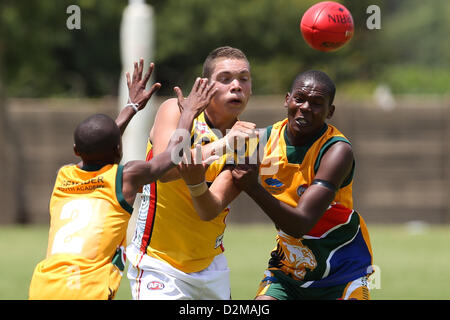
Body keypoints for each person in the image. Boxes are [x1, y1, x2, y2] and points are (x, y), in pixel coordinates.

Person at [28, 59, 218, 300]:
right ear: (119, 150)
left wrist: (130, 106)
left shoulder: (63, 175)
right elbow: (172, 155)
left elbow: (99, 142)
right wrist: (189, 112)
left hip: (44, 284)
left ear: (76, 150)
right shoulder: (125, 178)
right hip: (86, 289)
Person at [179, 70, 374, 300]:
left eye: (316, 103)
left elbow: (300, 224)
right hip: (289, 269)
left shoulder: (336, 151)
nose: (305, 107)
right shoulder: (259, 141)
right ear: (287, 100)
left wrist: (253, 188)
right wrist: (195, 183)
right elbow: (208, 203)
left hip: (342, 272)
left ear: (330, 112)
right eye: (299, 99)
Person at [126, 46, 255, 300]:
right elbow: (163, 170)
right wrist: (223, 145)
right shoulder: (176, 110)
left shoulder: (248, 140)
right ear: (205, 85)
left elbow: (209, 210)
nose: (236, 85)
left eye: (244, 78)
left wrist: (197, 185)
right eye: (226, 78)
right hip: (158, 264)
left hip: (211, 266)